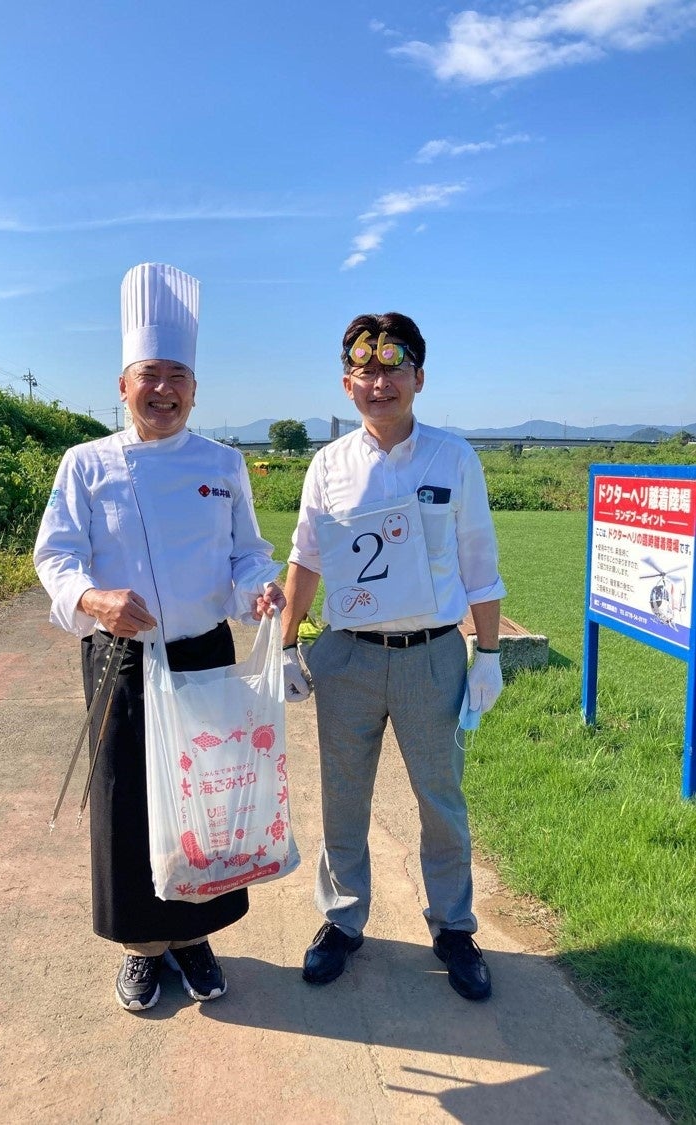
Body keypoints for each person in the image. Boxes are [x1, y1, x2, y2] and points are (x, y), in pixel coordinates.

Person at [33, 263, 284, 1012]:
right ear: (122, 384)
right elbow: (55, 554)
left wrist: (258, 592)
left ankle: (193, 936)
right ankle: (143, 949)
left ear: (196, 389)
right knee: (126, 803)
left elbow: (246, 555)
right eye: (150, 373)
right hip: (119, 657)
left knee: (204, 801)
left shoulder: (221, 463)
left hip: (202, 654)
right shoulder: (84, 464)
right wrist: (91, 596)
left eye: (178, 375)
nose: (164, 388)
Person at [280, 312, 504, 1002]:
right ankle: (342, 921)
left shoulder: (451, 457)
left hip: (430, 656)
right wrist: (287, 642)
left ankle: (453, 925)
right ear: (347, 383)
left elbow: (479, 561)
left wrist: (487, 652)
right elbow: (305, 558)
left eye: (392, 367)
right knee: (343, 797)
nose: (379, 382)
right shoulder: (328, 465)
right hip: (346, 656)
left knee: (439, 798)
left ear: (418, 377)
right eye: (364, 370)